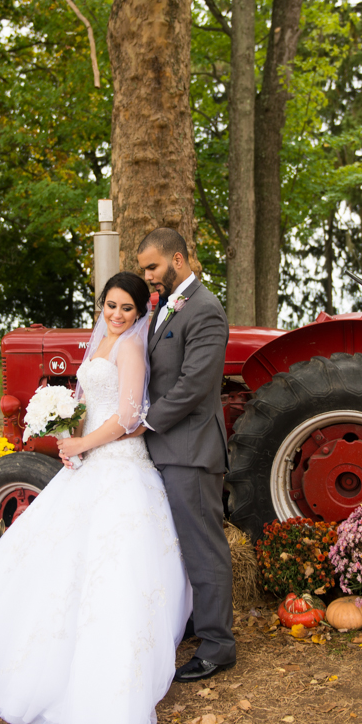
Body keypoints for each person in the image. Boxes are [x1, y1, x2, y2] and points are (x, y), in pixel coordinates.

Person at [0, 272, 192, 724]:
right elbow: (86, 400)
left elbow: (129, 416)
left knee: (112, 567)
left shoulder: (129, 348)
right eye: (111, 305)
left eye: (127, 308)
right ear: (102, 304)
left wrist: (83, 440)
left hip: (121, 466)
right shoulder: (101, 338)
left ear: (138, 313)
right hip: (85, 460)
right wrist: (67, 432)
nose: (117, 315)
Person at [137, 227, 236, 682]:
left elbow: (195, 385)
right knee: (179, 545)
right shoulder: (166, 305)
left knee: (203, 546)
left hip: (191, 448)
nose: (148, 277)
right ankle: (197, 623)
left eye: (152, 267)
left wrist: (145, 421)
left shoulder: (206, 309)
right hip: (165, 446)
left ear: (178, 260)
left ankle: (218, 646)